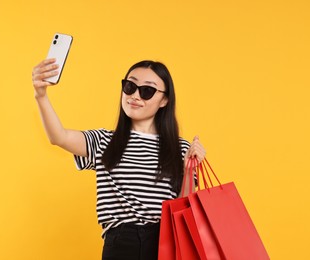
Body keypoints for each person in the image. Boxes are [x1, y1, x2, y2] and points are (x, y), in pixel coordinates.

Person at [32, 59, 206, 260]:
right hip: (121, 243)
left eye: (147, 91)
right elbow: (59, 137)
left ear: (164, 100)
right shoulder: (104, 141)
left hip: (164, 244)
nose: (135, 96)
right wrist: (41, 95)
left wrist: (190, 169)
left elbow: (182, 209)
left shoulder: (179, 148)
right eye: (130, 86)